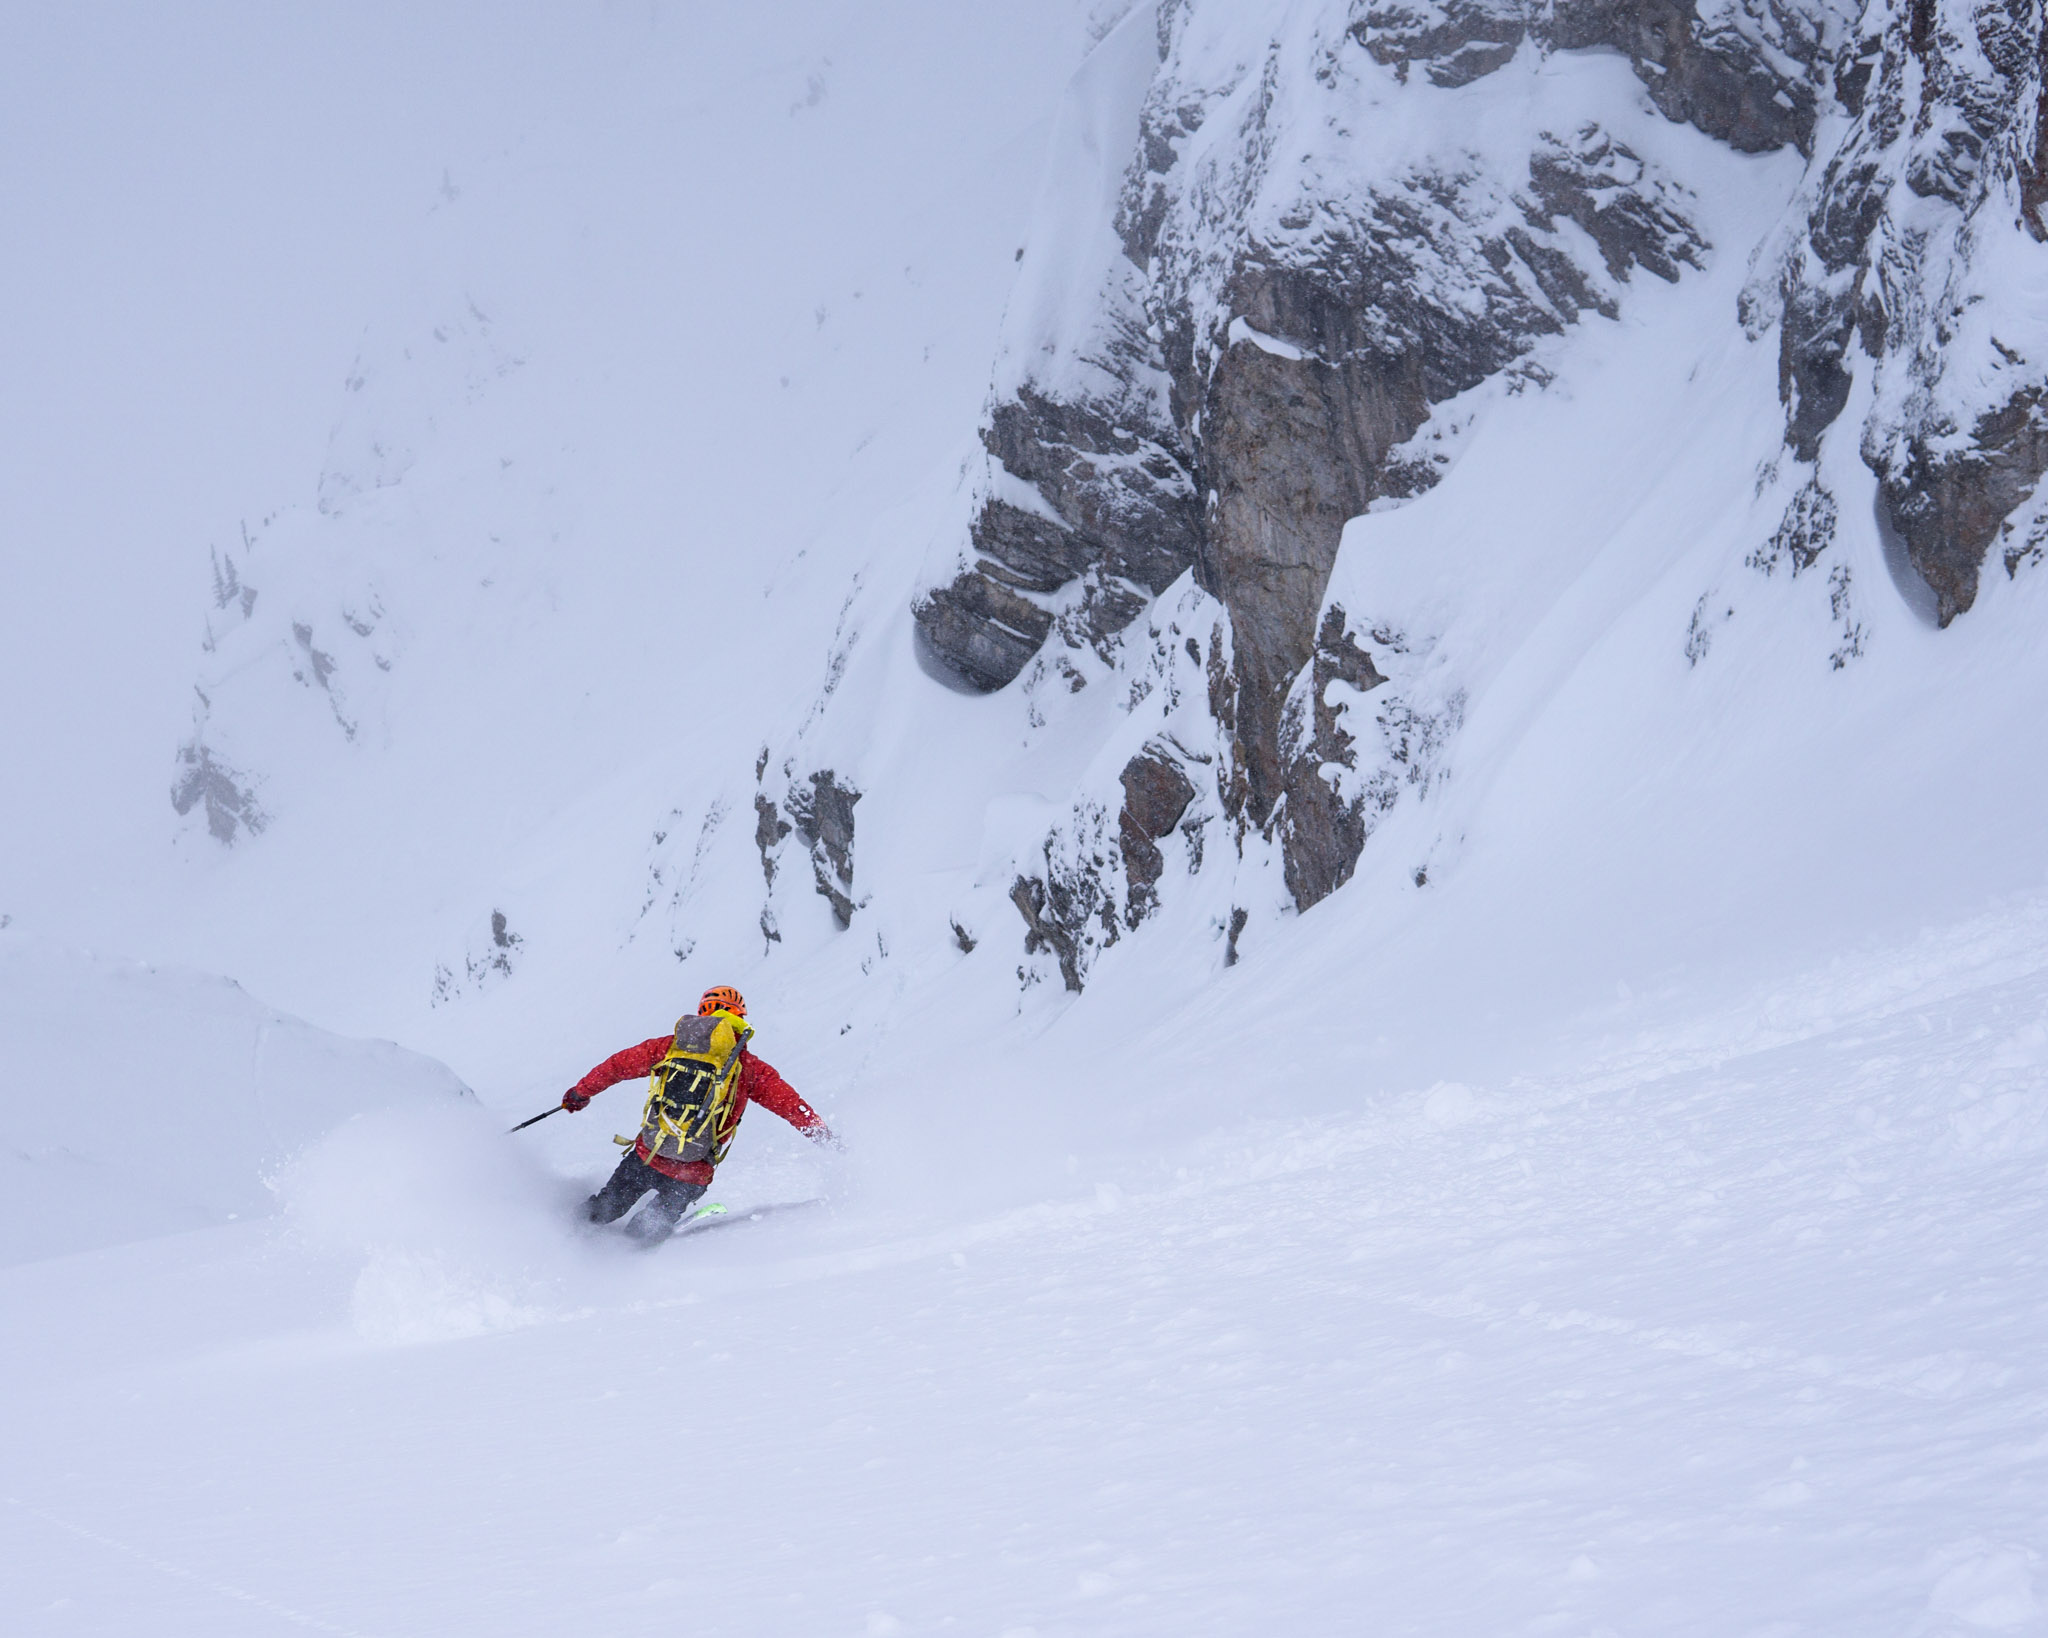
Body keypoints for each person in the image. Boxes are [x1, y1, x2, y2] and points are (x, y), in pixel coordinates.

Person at [560, 984, 834, 1238]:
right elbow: (791, 1105)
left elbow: (617, 1066)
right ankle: (631, 1262)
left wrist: (580, 1093)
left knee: (600, 1212)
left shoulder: (669, 1047)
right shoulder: (749, 1067)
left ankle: (553, 1236)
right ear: (739, 1017)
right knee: (643, 1234)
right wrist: (823, 1135)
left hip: (647, 1155)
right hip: (692, 1172)